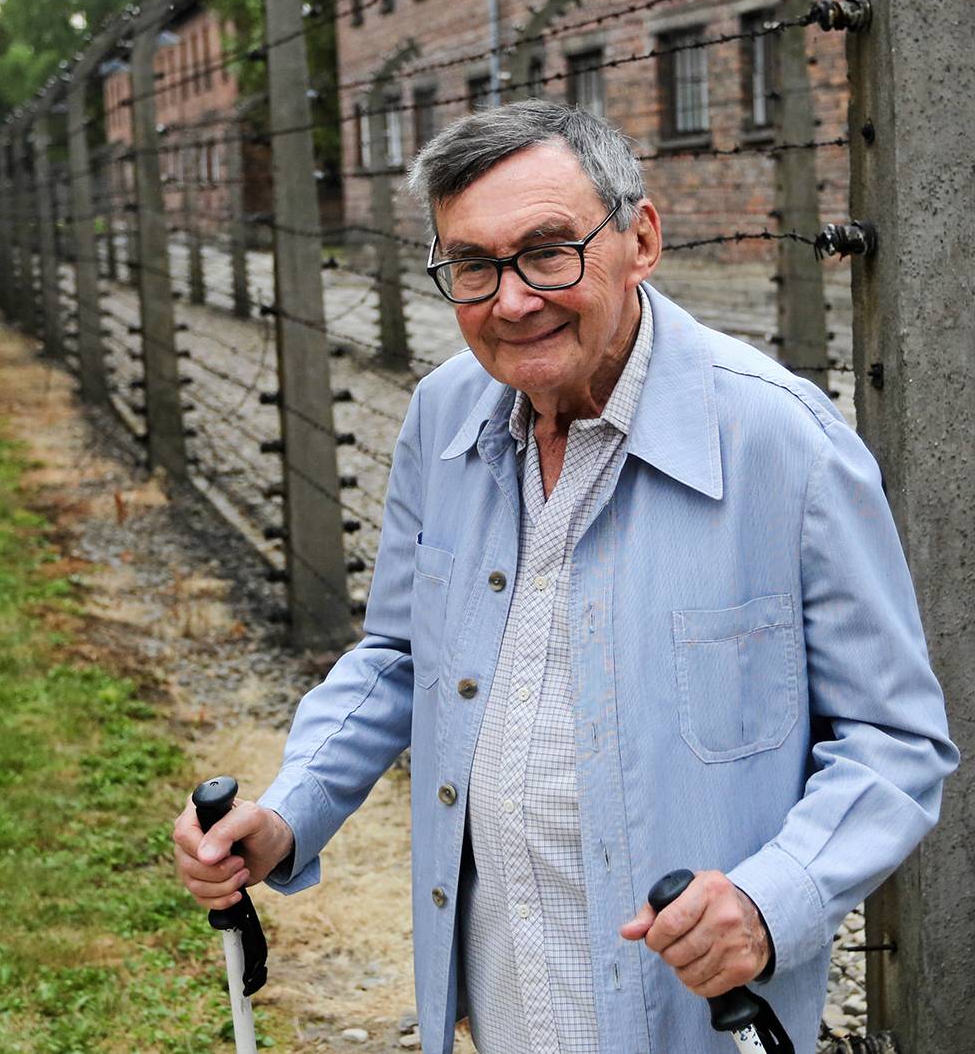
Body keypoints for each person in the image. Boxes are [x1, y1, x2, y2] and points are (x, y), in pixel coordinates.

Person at [170, 100, 957, 1053]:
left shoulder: (782, 443)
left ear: (642, 239)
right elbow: (397, 654)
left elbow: (894, 739)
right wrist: (290, 810)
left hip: (693, 1016)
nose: (511, 300)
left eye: (549, 252)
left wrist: (766, 898)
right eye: (473, 265)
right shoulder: (442, 418)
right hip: (502, 992)